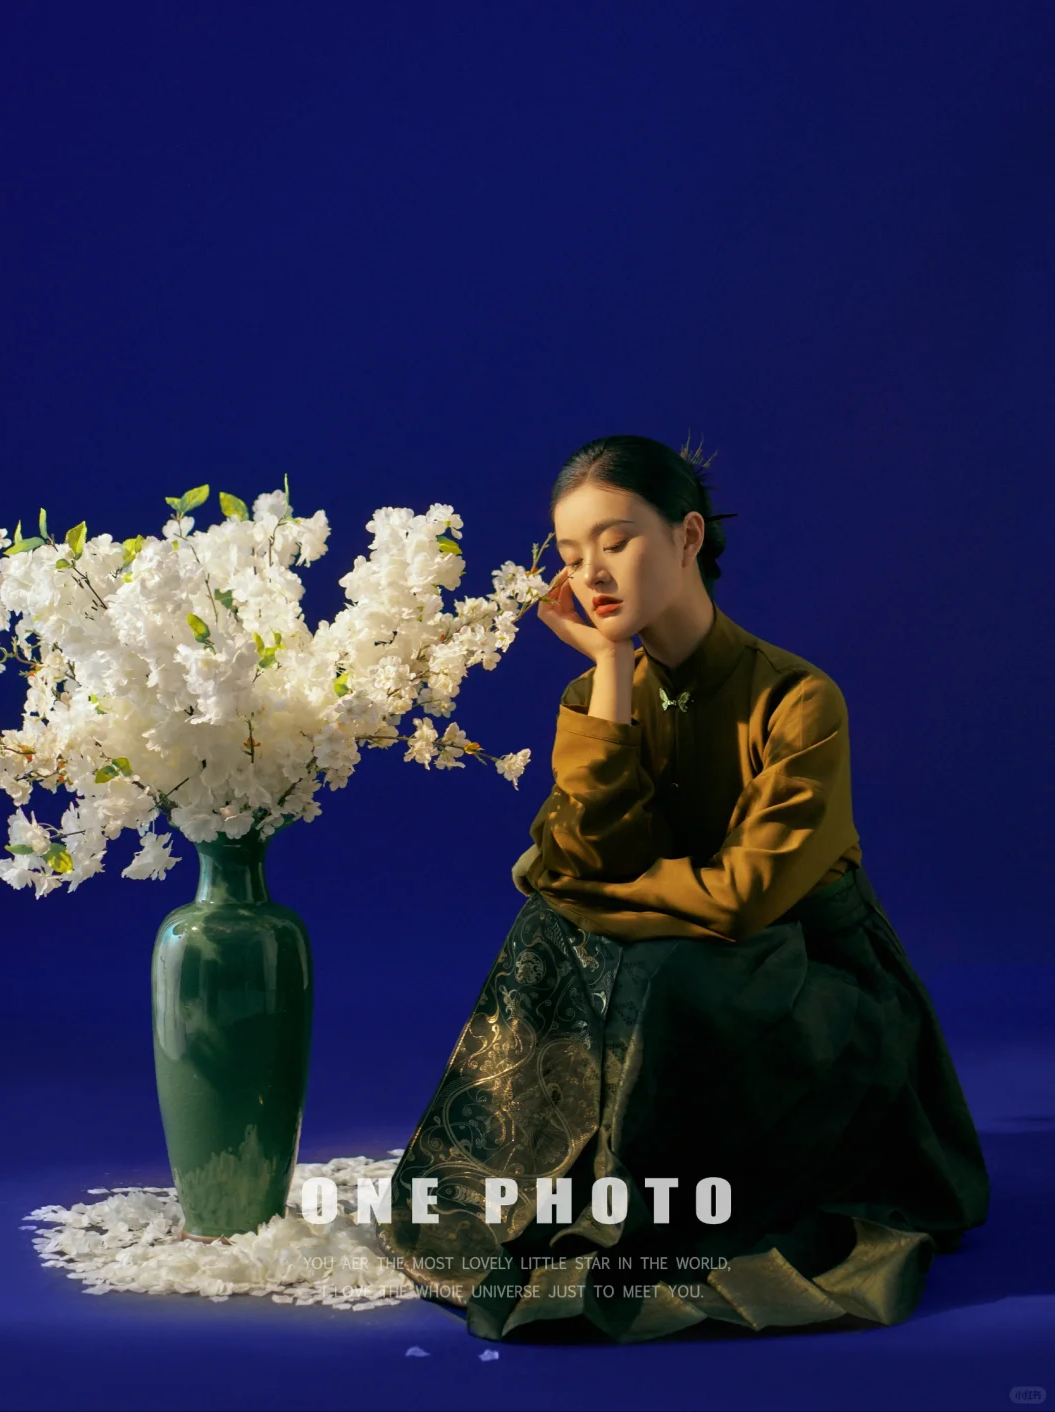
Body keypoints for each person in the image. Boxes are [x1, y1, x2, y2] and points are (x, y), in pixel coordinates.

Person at [375, 433, 990, 1345]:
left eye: (616, 541)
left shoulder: (799, 699)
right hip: (679, 963)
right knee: (552, 936)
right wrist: (612, 670)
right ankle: (575, 1187)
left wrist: (594, 891)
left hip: (813, 979)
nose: (591, 574)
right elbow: (575, 857)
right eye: (572, 554)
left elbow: (742, 897)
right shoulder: (598, 692)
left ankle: (657, 1204)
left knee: (655, 966)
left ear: (688, 535)